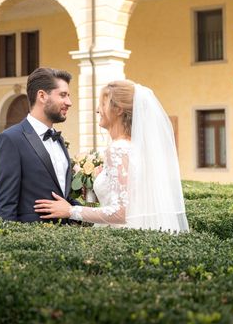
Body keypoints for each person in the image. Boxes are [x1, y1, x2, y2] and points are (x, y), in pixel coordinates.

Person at [34, 80, 189, 233]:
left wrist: (70, 210)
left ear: (119, 110)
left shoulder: (118, 149)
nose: (97, 110)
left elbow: (121, 212)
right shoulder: (136, 148)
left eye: (102, 104)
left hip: (121, 237)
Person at [0, 67, 80, 222]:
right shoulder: (10, 139)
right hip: (32, 242)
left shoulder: (58, 140)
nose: (69, 102)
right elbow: (5, 208)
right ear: (42, 96)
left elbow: (63, 197)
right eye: (63, 95)